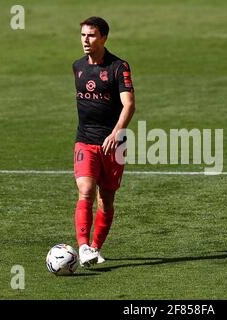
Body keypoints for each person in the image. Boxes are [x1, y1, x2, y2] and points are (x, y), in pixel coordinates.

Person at [71, 16, 135, 268]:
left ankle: (96, 248)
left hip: (114, 144)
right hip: (85, 141)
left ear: (104, 37)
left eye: (92, 35)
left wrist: (116, 132)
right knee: (86, 190)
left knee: (106, 200)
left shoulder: (119, 67)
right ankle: (83, 245)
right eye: (83, 35)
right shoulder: (77, 66)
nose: (86, 40)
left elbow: (129, 104)